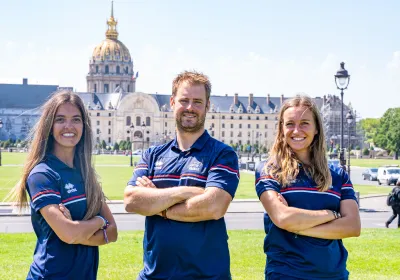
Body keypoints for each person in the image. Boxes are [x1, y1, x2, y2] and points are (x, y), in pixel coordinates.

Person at [124, 70, 240, 280]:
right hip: (154, 275)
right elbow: (132, 201)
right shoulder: (152, 155)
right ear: (172, 103)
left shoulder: (222, 154)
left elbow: (214, 207)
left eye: (197, 102)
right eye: (184, 100)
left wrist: (158, 206)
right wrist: (187, 192)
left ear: (207, 106)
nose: (190, 107)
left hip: (207, 276)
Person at [7, 90, 117, 279]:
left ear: (84, 125)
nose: (69, 126)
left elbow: (113, 232)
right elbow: (68, 234)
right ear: (50, 126)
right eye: (60, 119)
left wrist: (78, 229)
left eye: (76, 119)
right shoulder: (42, 174)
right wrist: (98, 222)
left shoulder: (86, 174)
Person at [255, 95, 360, 280]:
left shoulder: (337, 174)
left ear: (317, 128)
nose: (297, 130)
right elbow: (283, 217)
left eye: (304, 123)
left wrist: (296, 226)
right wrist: (331, 215)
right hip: (286, 273)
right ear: (281, 128)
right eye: (289, 124)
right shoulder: (270, 170)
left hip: (333, 274)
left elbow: (352, 226)